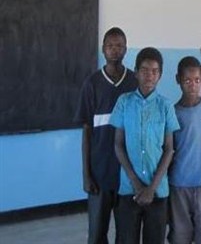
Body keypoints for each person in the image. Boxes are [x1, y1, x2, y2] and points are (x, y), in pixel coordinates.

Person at [109, 47, 180, 244]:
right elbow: (118, 145)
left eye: (155, 71)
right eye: (145, 70)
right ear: (136, 72)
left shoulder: (165, 106)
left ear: (160, 75)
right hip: (128, 189)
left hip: (158, 191)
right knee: (126, 239)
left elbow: (168, 149)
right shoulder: (124, 102)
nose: (150, 75)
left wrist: (151, 188)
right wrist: (136, 183)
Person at [74, 27, 138, 244]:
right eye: (110, 45)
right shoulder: (91, 84)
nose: (114, 50)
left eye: (119, 45)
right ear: (103, 49)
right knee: (96, 234)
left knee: (127, 235)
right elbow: (87, 132)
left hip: (127, 174)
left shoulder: (134, 82)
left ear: (126, 49)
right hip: (99, 173)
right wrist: (86, 174)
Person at [168, 56, 201, 244]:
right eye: (187, 80)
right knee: (180, 236)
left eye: (197, 80)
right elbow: (169, 151)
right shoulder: (172, 112)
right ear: (178, 80)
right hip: (179, 185)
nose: (192, 85)